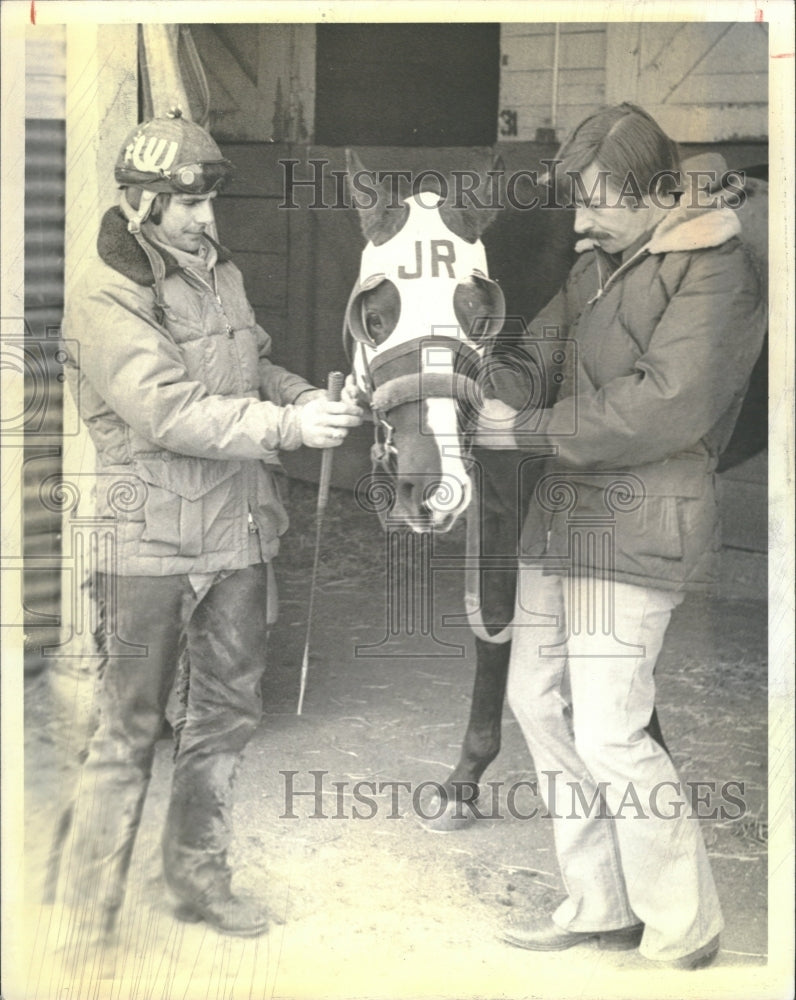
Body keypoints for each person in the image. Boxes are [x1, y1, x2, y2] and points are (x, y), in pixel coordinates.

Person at [49, 109, 363, 943]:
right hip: (147, 539)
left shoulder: (216, 270)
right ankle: (85, 910)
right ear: (140, 201)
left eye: (209, 201)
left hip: (237, 533)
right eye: (186, 204)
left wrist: (299, 395)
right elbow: (167, 412)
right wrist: (284, 430)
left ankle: (198, 879)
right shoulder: (106, 294)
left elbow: (250, 360)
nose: (205, 219)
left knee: (226, 716)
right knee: (130, 727)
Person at [475, 103, 766, 969]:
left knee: (610, 730)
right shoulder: (600, 264)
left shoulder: (716, 271)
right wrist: (473, 376)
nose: (581, 219)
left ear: (653, 191)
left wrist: (524, 431)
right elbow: (539, 348)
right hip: (564, 519)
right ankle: (600, 900)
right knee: (534, 699)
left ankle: (684, 925)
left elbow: (666, 403)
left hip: (639, 521)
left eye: (599, 200)